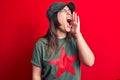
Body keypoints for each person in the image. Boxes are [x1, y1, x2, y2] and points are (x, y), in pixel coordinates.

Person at [31, 1, 95, 80]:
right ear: (54, 16)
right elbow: (36, 76)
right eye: (65, 11)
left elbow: (90, 62)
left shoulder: (76, 40)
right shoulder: (41, 44)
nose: (70, 14)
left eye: (70, 12)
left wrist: (78, 34)